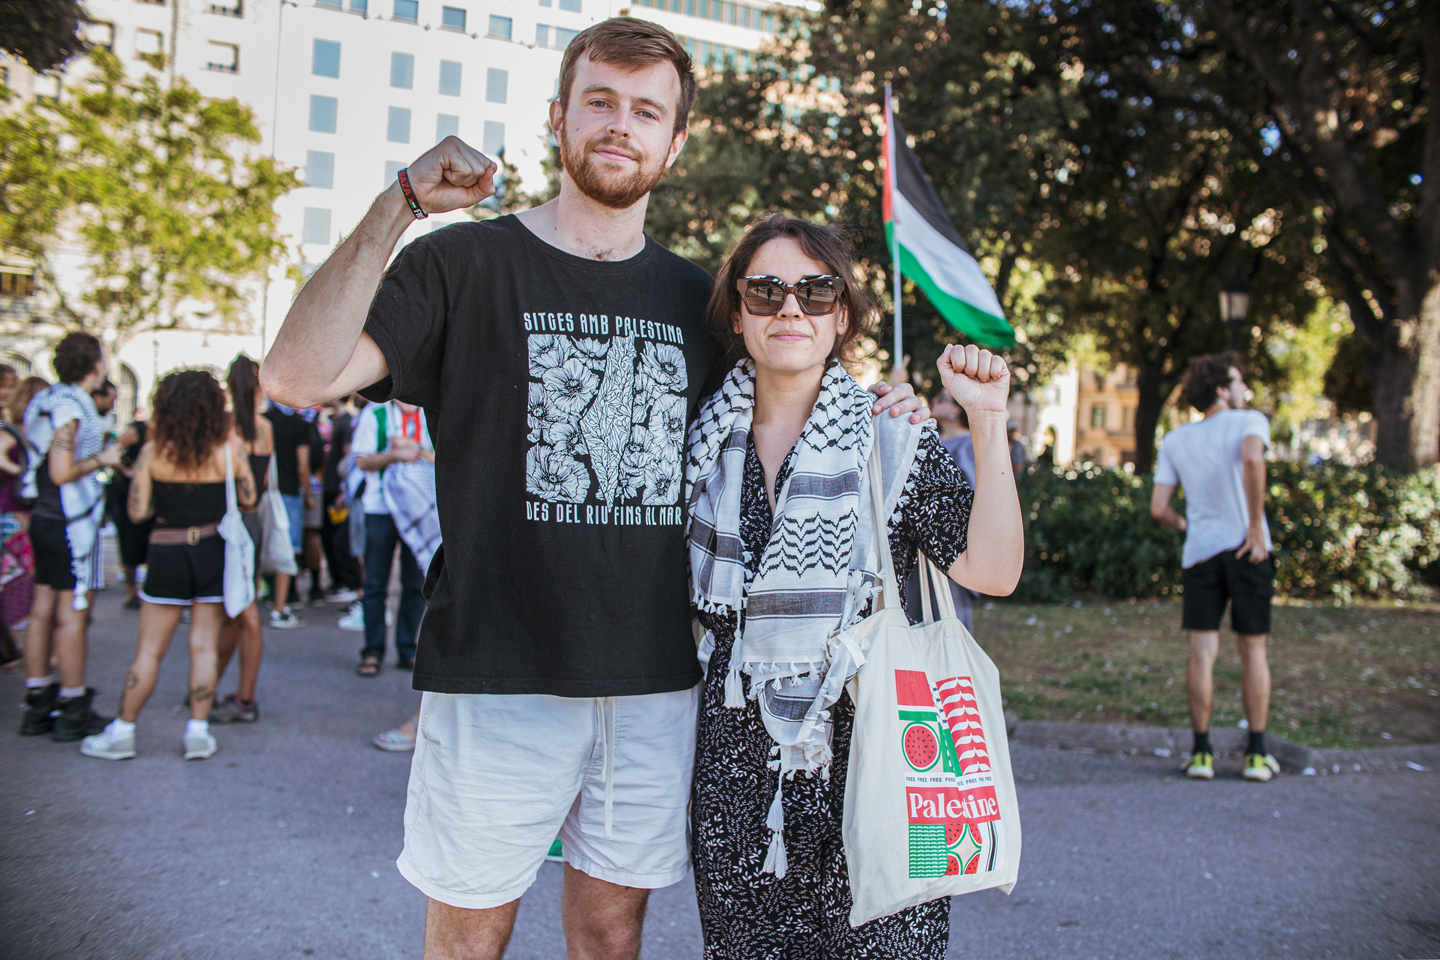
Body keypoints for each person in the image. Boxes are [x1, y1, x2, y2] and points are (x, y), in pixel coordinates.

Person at [259, 18, 926, 958]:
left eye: (646, 110)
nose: (620, 125)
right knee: (467, 939)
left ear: (675, 141)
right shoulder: (462, 264)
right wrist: (402, 203)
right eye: (600, 102)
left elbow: (798, 392)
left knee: (613, 937)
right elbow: (292, 377)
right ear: (558, 119)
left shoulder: (702, 302)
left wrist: (890, 406)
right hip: (498, 674)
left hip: (655, 682)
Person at [685, 216, 1024, 957]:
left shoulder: (892, 439)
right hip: (738, 790)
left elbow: (992, 571)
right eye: (767, 291)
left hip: (885, 768)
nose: (790, 310)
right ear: (738, 311)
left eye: (815, 290)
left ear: (842, 316)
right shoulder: (699, 450)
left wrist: (988, 420)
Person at [78, 369, 256, 761]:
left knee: (150, 650)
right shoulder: (228, 449)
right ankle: (198, 730)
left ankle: (123, 730)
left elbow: (138, 511)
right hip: (213, 550)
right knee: (205, 647)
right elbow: (249, 499)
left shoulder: (154, 452)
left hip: (167, 552)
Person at [1150, 351, 1279, 783]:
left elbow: (1159, 508)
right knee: (1253, 650)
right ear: (1223, 389)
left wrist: (1187, 524)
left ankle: (1201, 754)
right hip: (1248, 550)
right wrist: (1256, 527)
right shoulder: (1250, 421)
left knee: (1201, 653)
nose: (1245, 390)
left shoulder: (1175, 440)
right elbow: (1253, 460)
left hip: (1200, 552)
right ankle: (1257, 756)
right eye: (1239, 382)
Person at [18, 333, 122, 740]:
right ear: (95, 365)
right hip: (69, 522)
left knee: (43, 607)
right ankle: (72, 706)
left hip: (46, 516)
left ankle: (37, 699)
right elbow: (62, 471)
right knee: (72, 613)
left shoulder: (45, 399)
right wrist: (103, 459)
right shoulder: (70, 406)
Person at [350, 399, 433, 675]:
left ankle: (407, 648)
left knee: (416, 583)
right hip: (381, 507)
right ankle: (373, 650)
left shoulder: (431, 412)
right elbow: (362, 461)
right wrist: (394, 456)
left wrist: (417, 451)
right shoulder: (375, 414)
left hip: (419, 509)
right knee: (375, 583)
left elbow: (445, 458)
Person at [211, 355, 273, 724]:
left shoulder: (223, 428)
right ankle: (221, 687)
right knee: (236, 611)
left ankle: (243, 698)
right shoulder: (265, 429)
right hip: (252, 524)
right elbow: (261, 488)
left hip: (227, 524)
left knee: (239, 611)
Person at [905, 387, 978, 631]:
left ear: (957, 409)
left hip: (950, 546)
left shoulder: (968, 443)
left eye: (942, 399)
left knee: (950, 620)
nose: (935, 401)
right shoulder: (932, 438)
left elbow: (970, 494)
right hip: (918, 547)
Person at [0, 374, 46, 671]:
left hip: (24, 514)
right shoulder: (13, 430)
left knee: (25, 582)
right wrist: (26, 475)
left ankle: (16, 648)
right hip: (13, 514)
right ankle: (10, 648)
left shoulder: (33, 432)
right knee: (15, 581)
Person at [263, 400, 310, 627]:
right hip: (289, 492)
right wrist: (307, 493)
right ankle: (281, 604)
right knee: (288, 548)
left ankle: (263, 596)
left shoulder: (264, 421)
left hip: (263, 494)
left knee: (261, 545)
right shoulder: (298, 424)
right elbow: (303, 465)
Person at [108, 414, 153, 609]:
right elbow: (113, 448)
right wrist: (126, 469)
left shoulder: (169, 430)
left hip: (154, 493)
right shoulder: (139, 430)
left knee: (149, 543)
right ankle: (130, 591)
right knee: (130, 543)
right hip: (128, 492)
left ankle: (147, 589)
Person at [320, 398, 362, 603]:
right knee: (331, 536)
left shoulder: (349, 421)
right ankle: (342, 582)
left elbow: (349, 460)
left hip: (341, 489)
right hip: (330, 487)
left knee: (343, 539)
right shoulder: (331, 420)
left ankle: (353, 585)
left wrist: (343, 491)